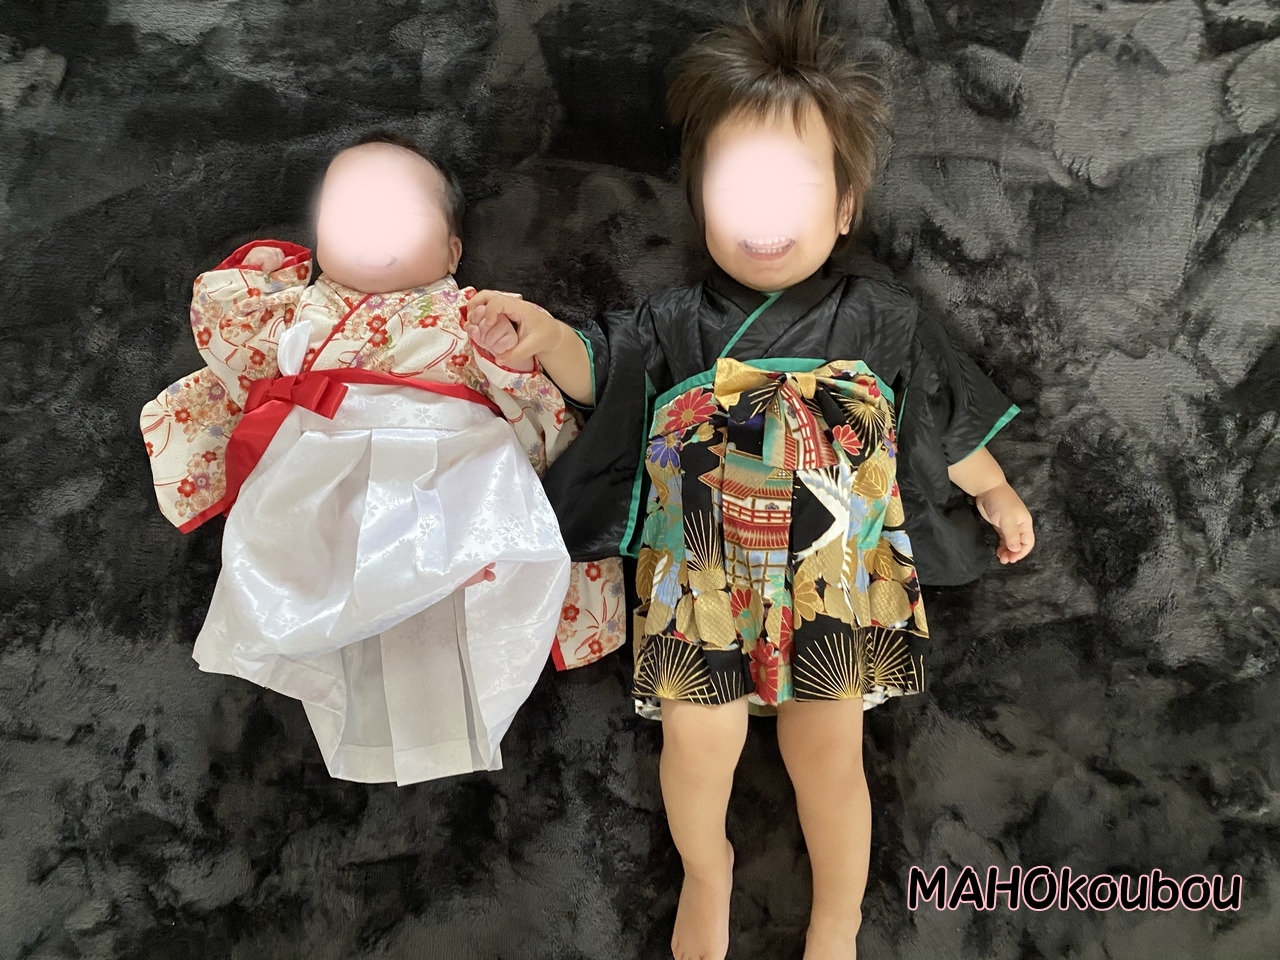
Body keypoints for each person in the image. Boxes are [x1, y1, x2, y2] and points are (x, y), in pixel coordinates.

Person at [469, 3, 1035, 956]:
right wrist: (548, 337)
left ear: (845, 207)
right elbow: (605, 372)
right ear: (700, 204)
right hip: (704, 579)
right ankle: (707, 870)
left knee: (831, 753)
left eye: (794, 186)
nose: (764, 212)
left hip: (829, 582)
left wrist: (993, 489)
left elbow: (935, 417)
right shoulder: (675, 320)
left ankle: (837, 917)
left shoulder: (880, 317)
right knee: (697, 744)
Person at [140, 132, 625, 786]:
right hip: (328, 475)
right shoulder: (302, 310)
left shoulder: (466, 314)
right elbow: (234, 345)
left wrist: (504, 352)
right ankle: (337, 669)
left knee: (458, 599)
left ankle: (452, 698)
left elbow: (529, 400)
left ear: (452, 251)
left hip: (448, 474)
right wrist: (270, 289)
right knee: (309, 582)